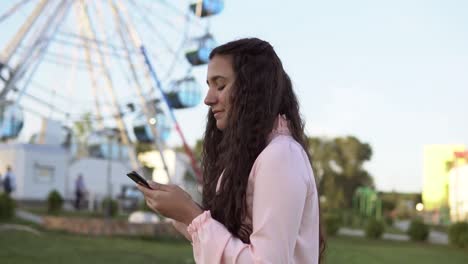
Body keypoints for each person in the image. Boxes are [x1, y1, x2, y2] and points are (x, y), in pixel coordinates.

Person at [137, 38, 325, 263]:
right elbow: (236, 246)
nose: (208, 99)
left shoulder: (281, 156)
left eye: (221, 85)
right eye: (209, 85)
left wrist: (191, 215)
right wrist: (183, 214)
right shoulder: (254, 154)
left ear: (253, 89)